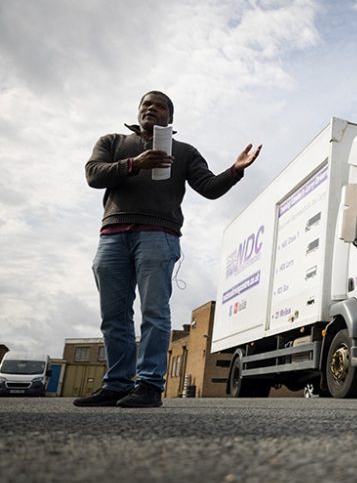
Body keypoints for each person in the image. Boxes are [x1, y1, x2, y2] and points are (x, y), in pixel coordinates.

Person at [75, 91, 262, 408]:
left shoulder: (185, 152)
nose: (151, 109)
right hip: (112, 236)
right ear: (138, 112)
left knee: (154, 313)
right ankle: (117, 384)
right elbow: (93, 174)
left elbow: (209, 188)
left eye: (159, 106)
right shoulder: (113, 142)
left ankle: (148, 385)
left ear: (169, 118)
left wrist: (235, 170)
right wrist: (134, 164)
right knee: (114, 316)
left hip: (158, 235)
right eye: (145, 104)